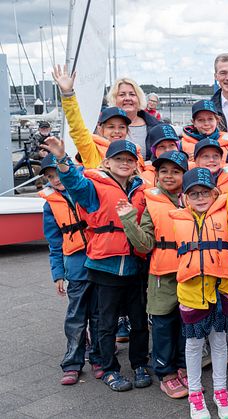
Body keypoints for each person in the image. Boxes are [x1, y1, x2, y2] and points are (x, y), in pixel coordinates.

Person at [41, 137, 151, 393]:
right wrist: (62, 160)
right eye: (119, 159)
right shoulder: (93, 188)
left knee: (138, 320)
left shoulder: (141, 189)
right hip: (105, 267)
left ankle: (139, 364)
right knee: (106, 321)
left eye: (129, 159)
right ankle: (108, 367)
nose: (125, 163)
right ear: (107, 162)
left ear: (136, 164)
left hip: (135, 266)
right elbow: (74, 185)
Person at [168, 163, 228, 419]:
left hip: (220, 293)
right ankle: (195, 395)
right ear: (185, 197)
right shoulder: (178, 219)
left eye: (205, 192)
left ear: (215, 194)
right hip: (192, 295)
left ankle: (221, 392)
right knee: (193, 345)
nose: (200, 198)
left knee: (219, 343)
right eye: (194, 193)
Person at [116, 149, 190, 399]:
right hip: (162, 275)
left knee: (186, 324)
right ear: (156, 175)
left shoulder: (195, 198)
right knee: (162, 324)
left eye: (176, 171)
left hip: (190, 272)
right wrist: (128, 220)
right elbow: (145, 244)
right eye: (163, 171)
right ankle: (165, 373)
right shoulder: (152, 204)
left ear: (184, 174)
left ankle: (182, 366)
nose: (169, 176)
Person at [38, 153, 102, 385]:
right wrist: (58, 274)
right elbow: (54, 243)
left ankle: (99, 358)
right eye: (50, 176)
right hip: (75, 265)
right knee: (76, 316)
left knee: (99, 313)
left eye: (58, 173)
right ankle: (72, 363)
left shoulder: (85, 189)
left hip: (99, 258)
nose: (56, 179)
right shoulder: (50, 206)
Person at [106, 77, 161, 159]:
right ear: (114, 99)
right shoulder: (102, 126)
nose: (128, 98)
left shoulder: (155, 127)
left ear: (139, 98)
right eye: (122, 95)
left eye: (132, 94)